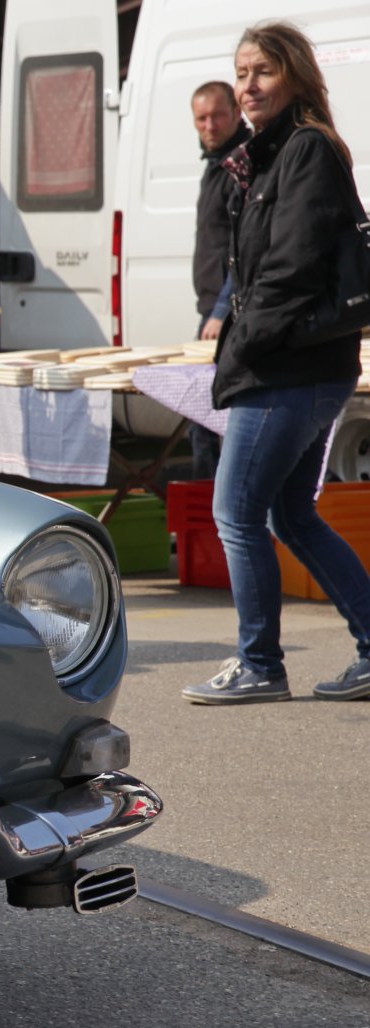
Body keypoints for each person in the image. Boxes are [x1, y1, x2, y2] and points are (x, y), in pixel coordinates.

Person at [182, 21, 370, 705]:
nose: (248, 86)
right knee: (291, 516)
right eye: (242, 74)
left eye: (262, 71)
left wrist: (239, 348)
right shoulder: (267, 153)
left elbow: (290, 270)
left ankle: (259, 664)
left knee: (236, 512)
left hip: (290, 367)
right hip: (297, 363)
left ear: (294, 75)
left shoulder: (306, 149)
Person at [186, 81, 249, 479]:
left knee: (205, 415)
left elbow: (244, 249)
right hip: (213, 308)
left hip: (230, 313)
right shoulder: (215, 164)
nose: (209, 125)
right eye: (201, 118)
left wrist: (222, 310)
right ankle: (207, 497)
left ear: (236, 114)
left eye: (218, 116)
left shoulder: (240, 165)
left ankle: (214, 499)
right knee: (200, 416)